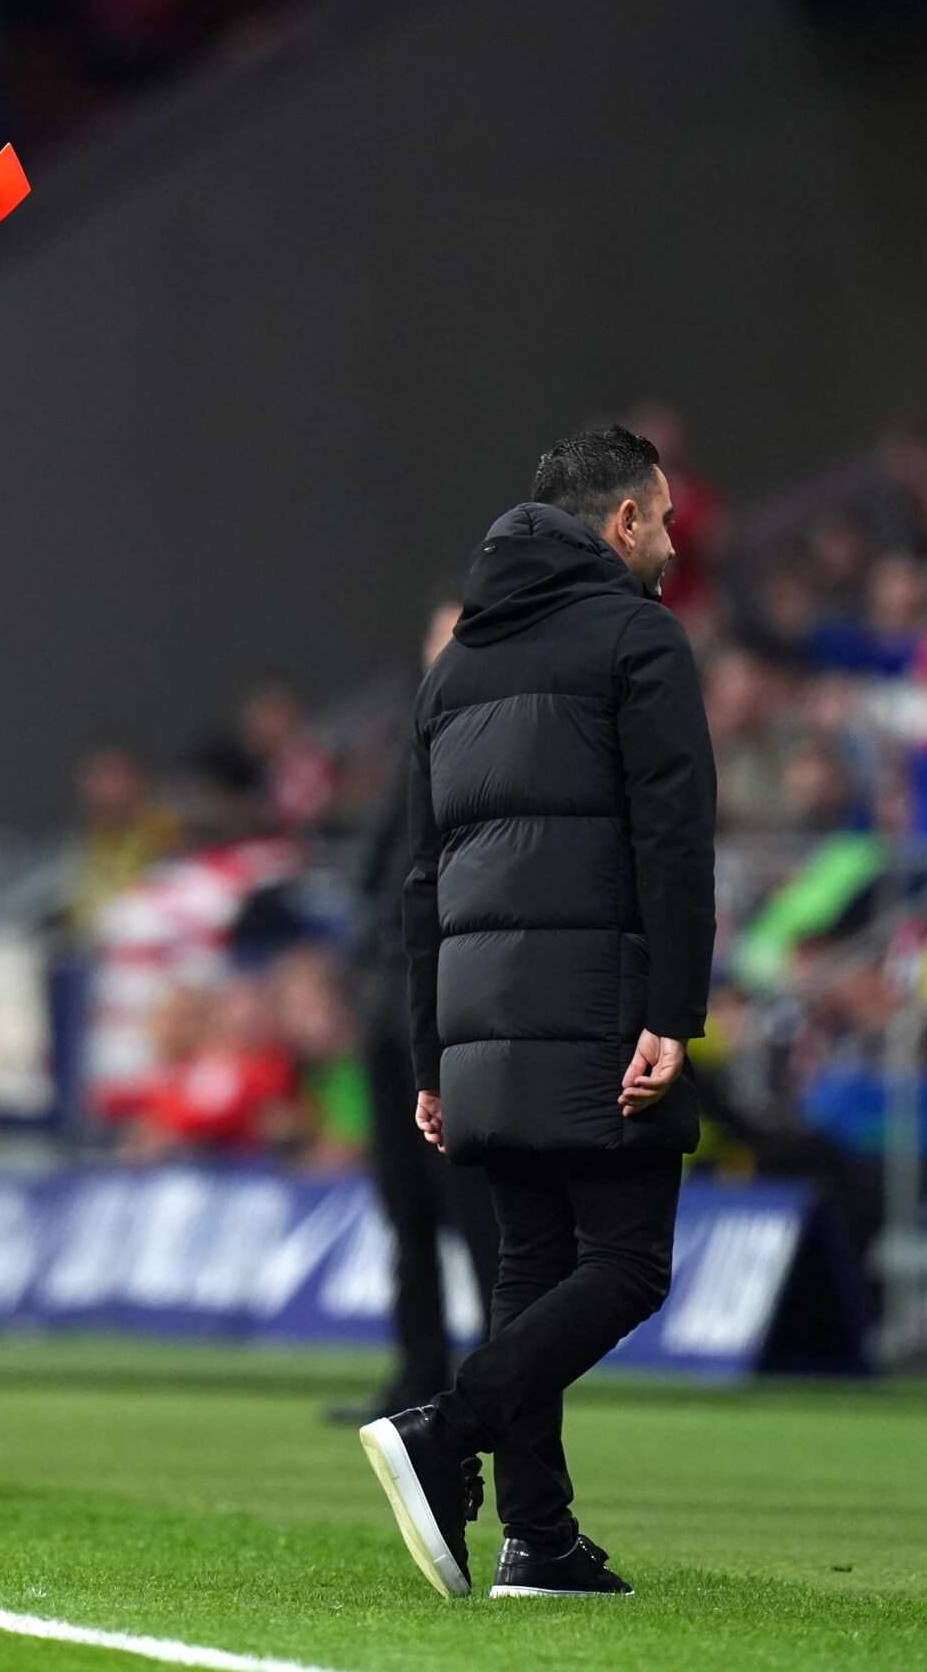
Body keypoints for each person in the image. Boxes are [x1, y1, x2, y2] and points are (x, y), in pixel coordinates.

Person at [362, 426, 715, 1601]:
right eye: (659, 519)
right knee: (627, 1262)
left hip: (477, 1024)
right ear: (619, 522)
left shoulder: (453, 666)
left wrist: (432, 1053)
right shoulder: (638, 638)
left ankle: (540, 1538)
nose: (668, 542)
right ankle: (442, 1429)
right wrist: (672, 1008)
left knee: (529, 1267)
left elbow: (424, 878)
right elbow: (673, 840)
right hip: (599, 1010)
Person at [332, 599, 496, 1425]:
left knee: (469, 1201)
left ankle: (499, 1376)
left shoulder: (497, 740)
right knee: (405, 1201)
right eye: (436, 637)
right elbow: (380, 873)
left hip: (452, 1002)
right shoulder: (420, 741)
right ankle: (418, 1374)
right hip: (391, 1001)